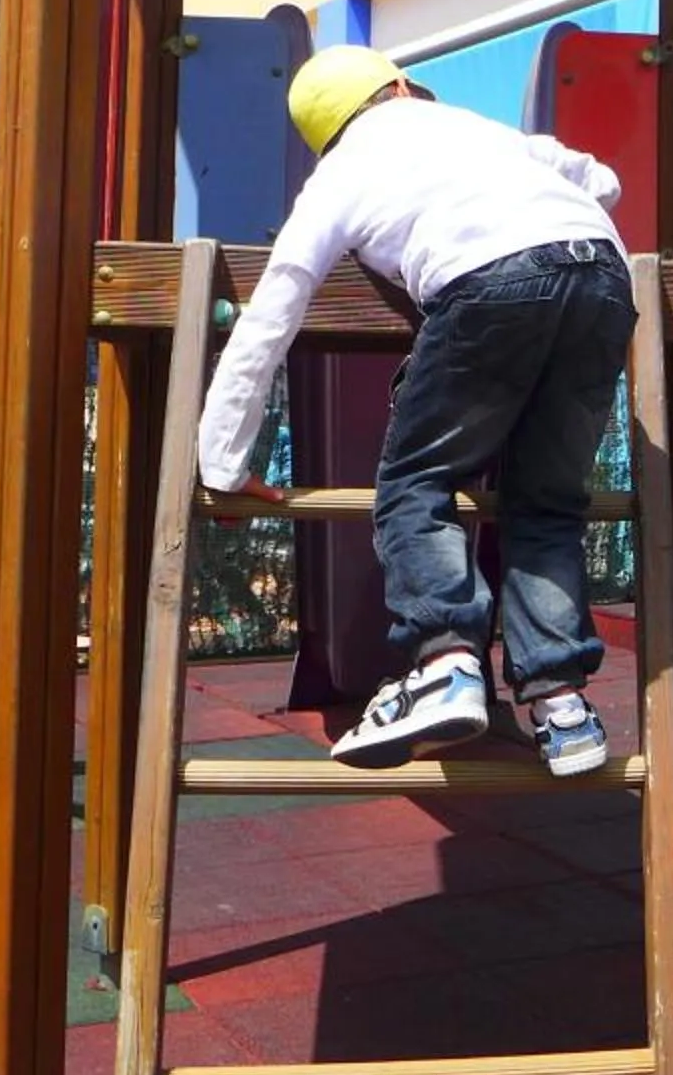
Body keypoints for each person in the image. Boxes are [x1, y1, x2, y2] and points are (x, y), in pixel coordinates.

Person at [195, 46, 634, 778]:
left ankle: (446, 663)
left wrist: (222, 463)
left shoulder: (336, 177)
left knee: (416, 483)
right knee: (548, 500)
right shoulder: (483, 131)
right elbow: (604, 180)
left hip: (487, 284)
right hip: (602, 276)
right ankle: (562, 705)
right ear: (401, 87)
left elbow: (271, 314)